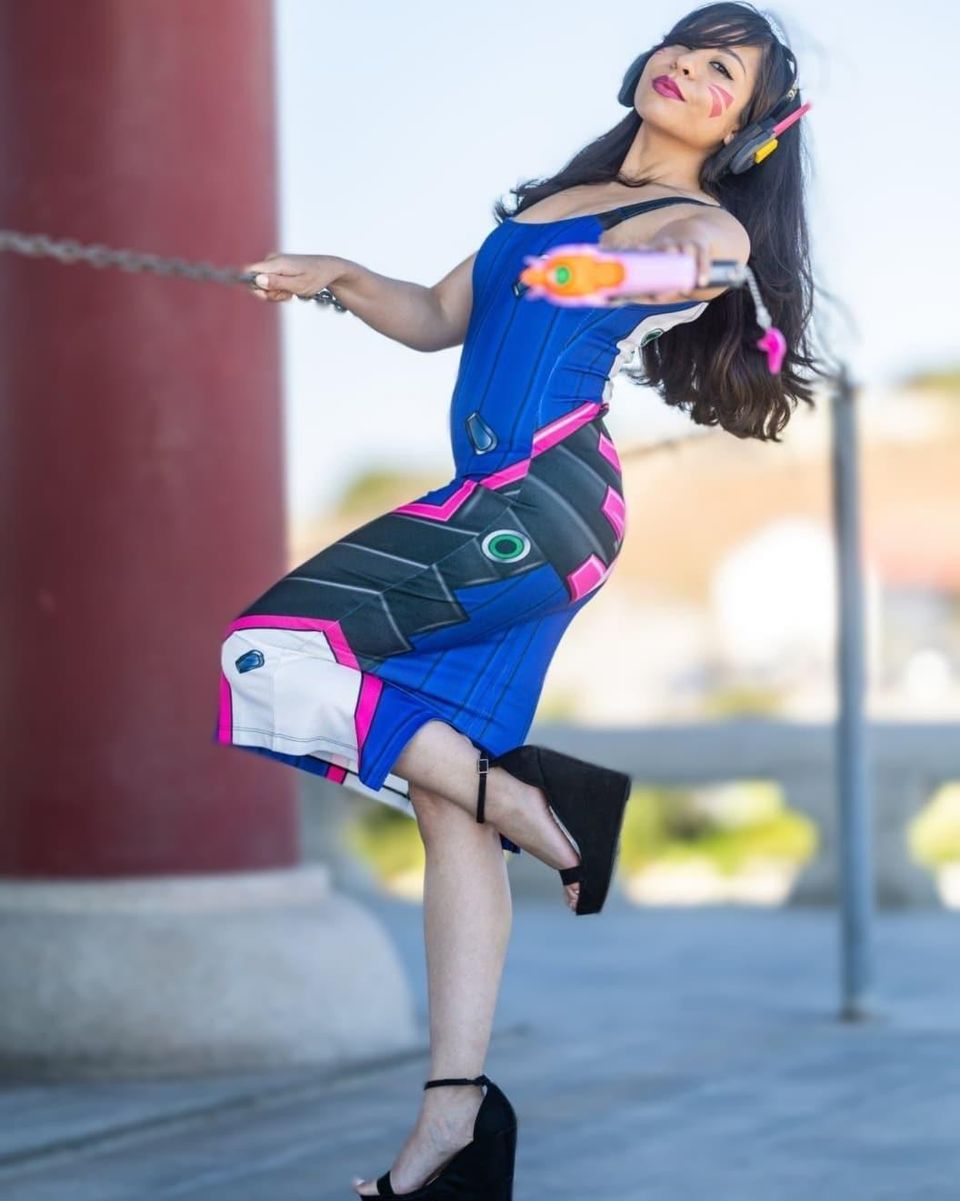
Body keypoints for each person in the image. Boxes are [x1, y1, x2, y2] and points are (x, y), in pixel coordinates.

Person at [218, 3, 831, 1194]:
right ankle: (451, 1127)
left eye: (724, 71)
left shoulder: (698, 222)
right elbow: (437, 317)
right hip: (503, 508)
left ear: (743, 130)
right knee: (447, 816)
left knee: (270, 650)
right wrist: (340, 277)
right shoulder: (554, 201)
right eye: (686, 46)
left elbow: (704, 270)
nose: (689, 68)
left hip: (541, 506)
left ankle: (536, 804)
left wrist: (597, 272)